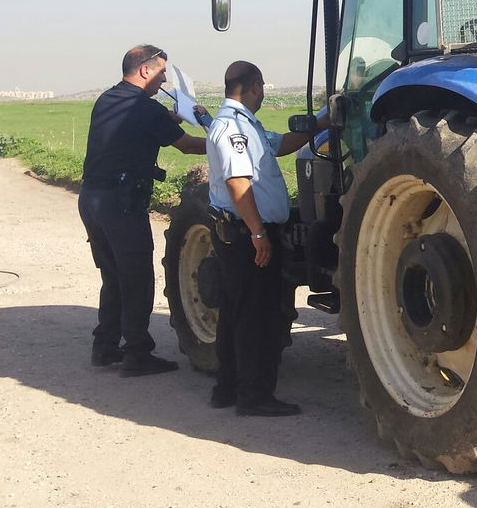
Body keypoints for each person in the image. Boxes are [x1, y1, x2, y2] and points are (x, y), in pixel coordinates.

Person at [206, 60, 324, 417]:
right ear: (255, 86)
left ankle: (227, 387)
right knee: (258, 315)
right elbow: (238, 184)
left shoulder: (244, 124)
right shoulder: (232, 128)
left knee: (236, 312)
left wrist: (322, 124)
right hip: (246, 233)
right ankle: (254, 395)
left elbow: (282, 144)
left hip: (242, 230)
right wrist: (259, 231)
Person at [79, 45, 206, 376]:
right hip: (121, 203)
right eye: (162, 71)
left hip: (92, 199)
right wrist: (227, 140)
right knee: (136, 277)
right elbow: (189, 145)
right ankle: (137, 353)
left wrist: (168, 117)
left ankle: (105, 347)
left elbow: (143, 124)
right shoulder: (146, 109)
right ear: (145, 70)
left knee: (113, 275)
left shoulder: (108, 99)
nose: (165, 77)